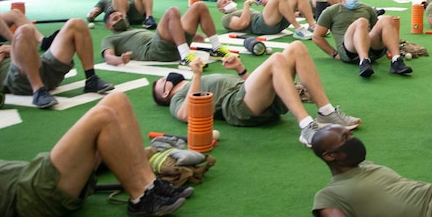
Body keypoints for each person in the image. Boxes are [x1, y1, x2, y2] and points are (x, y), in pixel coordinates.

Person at [0, 93, 190, 217]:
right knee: (102, 117)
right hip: (32, 194)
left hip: (31, 175)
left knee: (117, 100)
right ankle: (140, 200)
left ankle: (149, 184)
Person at [152, 41, 362, 147]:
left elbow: (259, 84)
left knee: (296, 47)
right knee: (277, 59)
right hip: (237, 107)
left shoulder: (191, 82)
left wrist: (241, 69)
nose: (166, 78)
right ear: (164, 93)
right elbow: (186, 115)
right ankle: (306, 126)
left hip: (251, 97)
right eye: (161, 82)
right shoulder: (178, 98)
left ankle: (326, 112)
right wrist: (196, 76)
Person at [5, 20, 115, 109]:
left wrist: (14, 49)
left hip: (43, 66)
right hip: (23, 78)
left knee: (77, 24)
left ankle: (91, 79)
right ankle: (38, 91)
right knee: (24, 30)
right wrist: (1, 56)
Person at [312, 0, 412, 78]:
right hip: (349, 49)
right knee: (361, 22)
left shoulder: (367, 9)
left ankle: (396, 60)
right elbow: (317, 36)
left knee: (386, 19)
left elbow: (377, 30)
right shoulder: (331, 11)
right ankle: (364, 61)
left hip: (371, 47)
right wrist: (333, 53)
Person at [101, 2, 226, 65]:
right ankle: (185, 56)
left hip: (171, 45)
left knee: (199, 6)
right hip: (156, 50)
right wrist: (119, 60)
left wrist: (192, 38)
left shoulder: (133, 29)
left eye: (121, 16)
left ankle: (217, 48)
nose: (121, 19)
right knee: (172, 11)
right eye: (115, 19)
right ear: (108, 26)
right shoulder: (109, 38)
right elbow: (108, 56)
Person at [219, 0, 317, 40]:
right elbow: (243, 23)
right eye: (225, 2)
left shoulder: (240, 11)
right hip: (261, 25)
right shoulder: (226, 18)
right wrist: (246, 5)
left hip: (271, 21)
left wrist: (268, 5)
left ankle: (312, 26)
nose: (228, 1)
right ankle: (298, 29)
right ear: (221, 9)